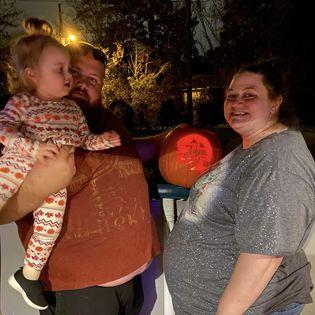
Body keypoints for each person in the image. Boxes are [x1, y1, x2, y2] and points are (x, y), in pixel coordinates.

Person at [0, 25, 161, 315]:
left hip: (133, 280)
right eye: (72, 72)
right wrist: (41, 186)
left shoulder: (103, 120)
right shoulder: (30, 123)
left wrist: (169, 140)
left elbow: (130, 152)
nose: (79, 84)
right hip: (78, 293)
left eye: (93, 79)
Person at [164, 61, 315, 314]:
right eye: (231, 96)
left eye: (249, 95)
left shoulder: (277, 161)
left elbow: (264, 255)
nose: (236, 103)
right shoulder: (254, 146)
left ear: (276, 102)